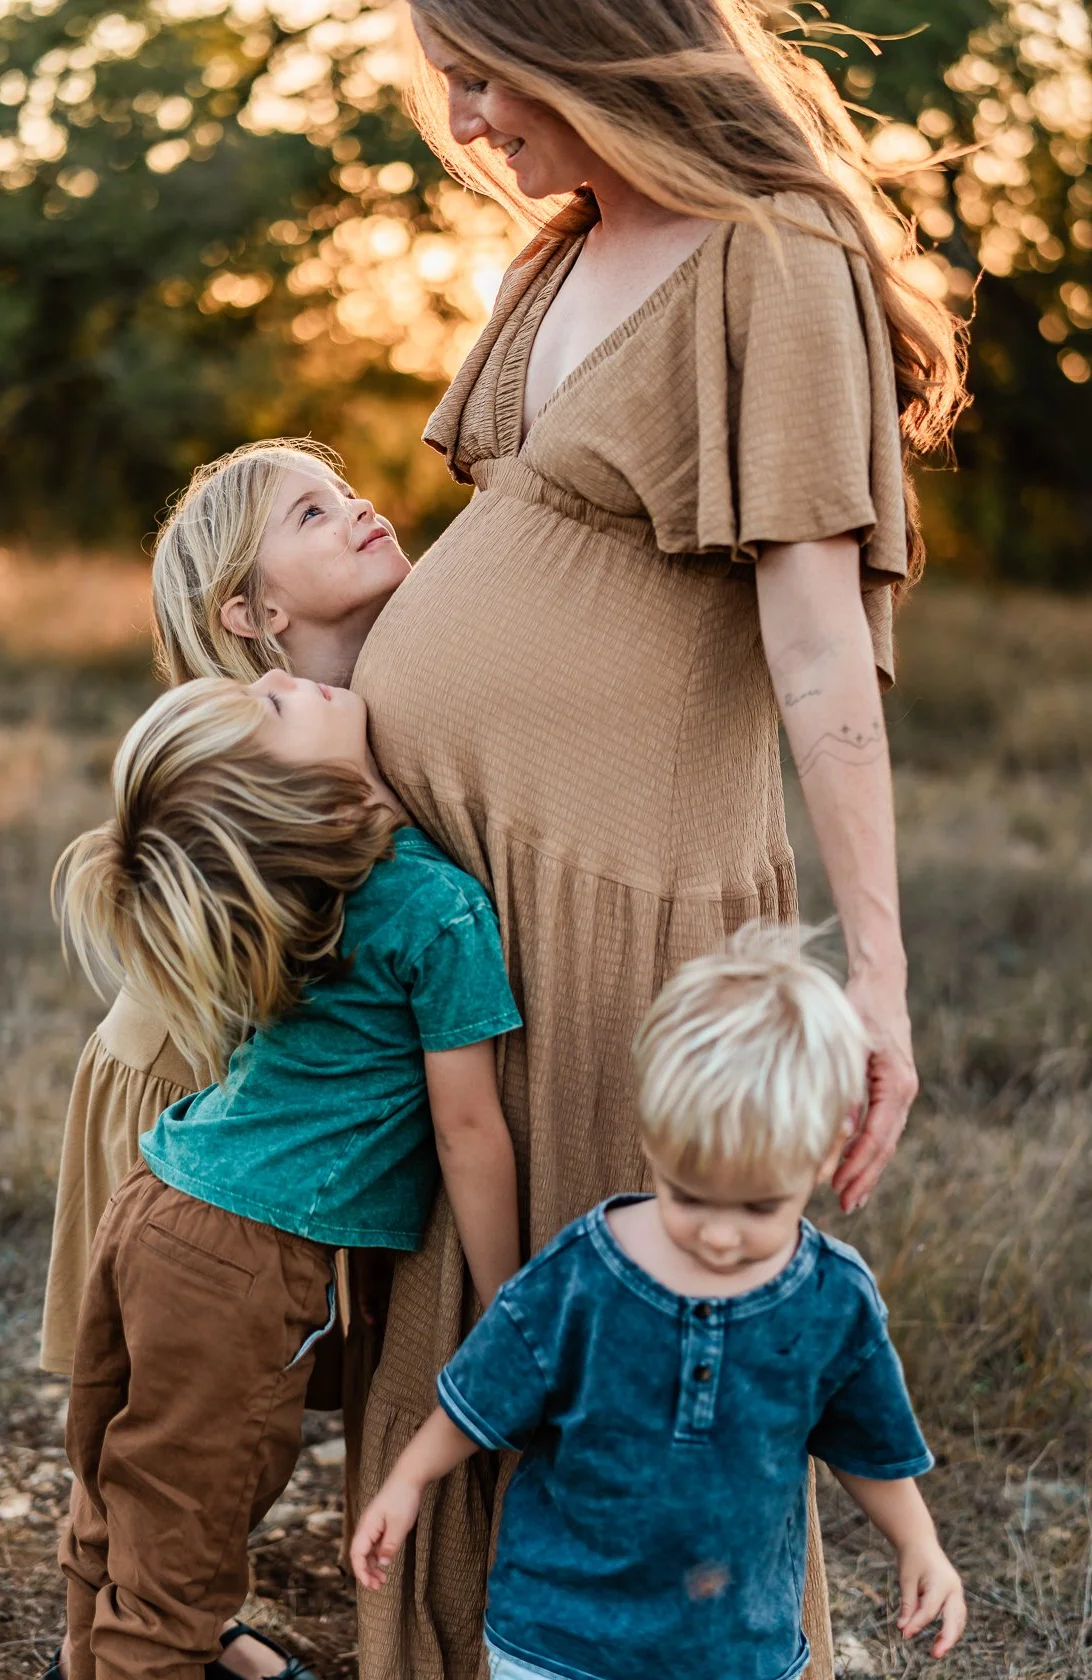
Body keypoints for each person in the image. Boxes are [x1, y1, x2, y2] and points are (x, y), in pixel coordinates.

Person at [347, 4, 966, 1676]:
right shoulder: (565, 251)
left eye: (485, 75)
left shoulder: (774, 257)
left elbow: (822, 647)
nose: (466, 123)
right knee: (473, 1327)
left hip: (614, 904)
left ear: (596, 42)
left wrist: (879, 993)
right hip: (470, 897)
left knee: (634, 1355)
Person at [50, 671, 523, 1680]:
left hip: (155, 1202)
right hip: (236, 1258)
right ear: (289, 804)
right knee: (179, 1566)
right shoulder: (438, 910)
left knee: (110, 1511)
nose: (275, 676)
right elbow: (470, 1129)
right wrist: (503, 1296)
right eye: (267, 710)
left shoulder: (294, 901)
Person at [351, 926, 967, 1680]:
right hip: (557, 1641)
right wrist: (408, 1481)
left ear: (824, 1159)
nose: (717, 1234)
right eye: (691, 1195)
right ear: (653, 1141)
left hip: (732, 1649)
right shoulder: (586, 1272)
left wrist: (918, 1542)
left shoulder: (831, 1301)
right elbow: (482, 1393)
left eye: (757, 1208)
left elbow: (866, 1442)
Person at [39, 440, 412, 1680]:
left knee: (201, 1417)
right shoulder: (257, 749)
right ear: (251, 615)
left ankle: (182, 1626)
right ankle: (140, 1630)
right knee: (177, 1417)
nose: (359, 502)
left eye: (342, 485)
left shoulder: (370, 699)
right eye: (312, 509)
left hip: (250, 1122)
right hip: (179, 1089)